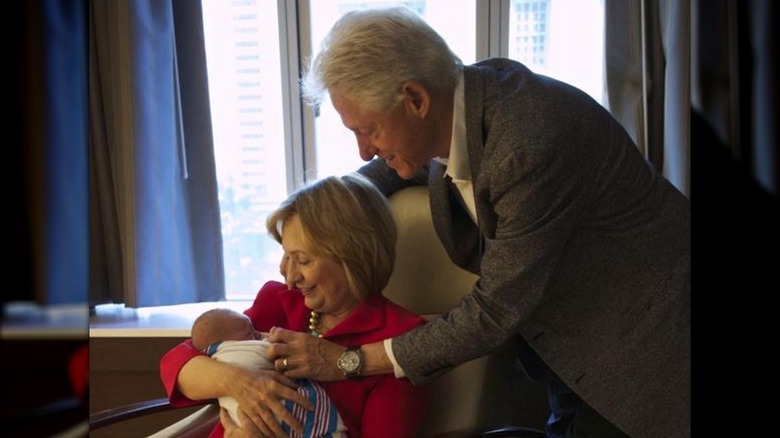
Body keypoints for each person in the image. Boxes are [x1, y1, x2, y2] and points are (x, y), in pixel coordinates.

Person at [264, 6, 691, 438]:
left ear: (415, 98)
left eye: (369, 130)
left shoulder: (528, 140)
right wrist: (323, 214)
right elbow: (388, 168)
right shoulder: (459, 105)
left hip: (648, 360)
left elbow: (495, 308)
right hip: (571, 356)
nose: (363, 150)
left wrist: (346, 360)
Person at [160, 174, 431, 438]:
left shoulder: (401, 343)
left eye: (302, 260)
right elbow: (176, 363)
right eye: (285, 255)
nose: (288, 276)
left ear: (354, 258)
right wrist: (236, 381)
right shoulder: (278, 302)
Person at [190, 308, 347, 437]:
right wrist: (231, 377)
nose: (289, 276)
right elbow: (177, 359)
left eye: (304, 266)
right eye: (253, 334)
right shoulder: (271, 301)